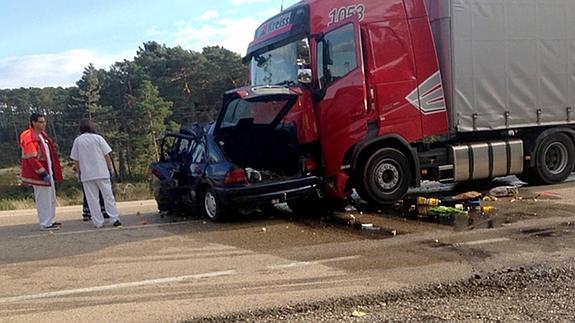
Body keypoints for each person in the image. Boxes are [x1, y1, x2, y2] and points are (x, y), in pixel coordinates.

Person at [70, 119, 122, 228]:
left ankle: (98, 221)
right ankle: (114, 218)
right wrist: (110, 168)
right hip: (101, 172)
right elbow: (106, 155)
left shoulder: (78, 140)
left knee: (92, 199)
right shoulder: (98, 138)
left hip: (87, 174)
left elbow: (76, 159)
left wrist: (78, 172)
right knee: (108, 196)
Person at [20, 113, 63, 231]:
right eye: (40, 122)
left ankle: (51, 220)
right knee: (43, 199)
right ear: (33, 122)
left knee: (51, 197)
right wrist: (42, 172)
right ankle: (45, 223)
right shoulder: (28, 135)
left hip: (48, 170)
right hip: (38, 173)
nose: (43, 124)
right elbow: (31, 157)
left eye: (44, 122)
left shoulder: (42, 135)